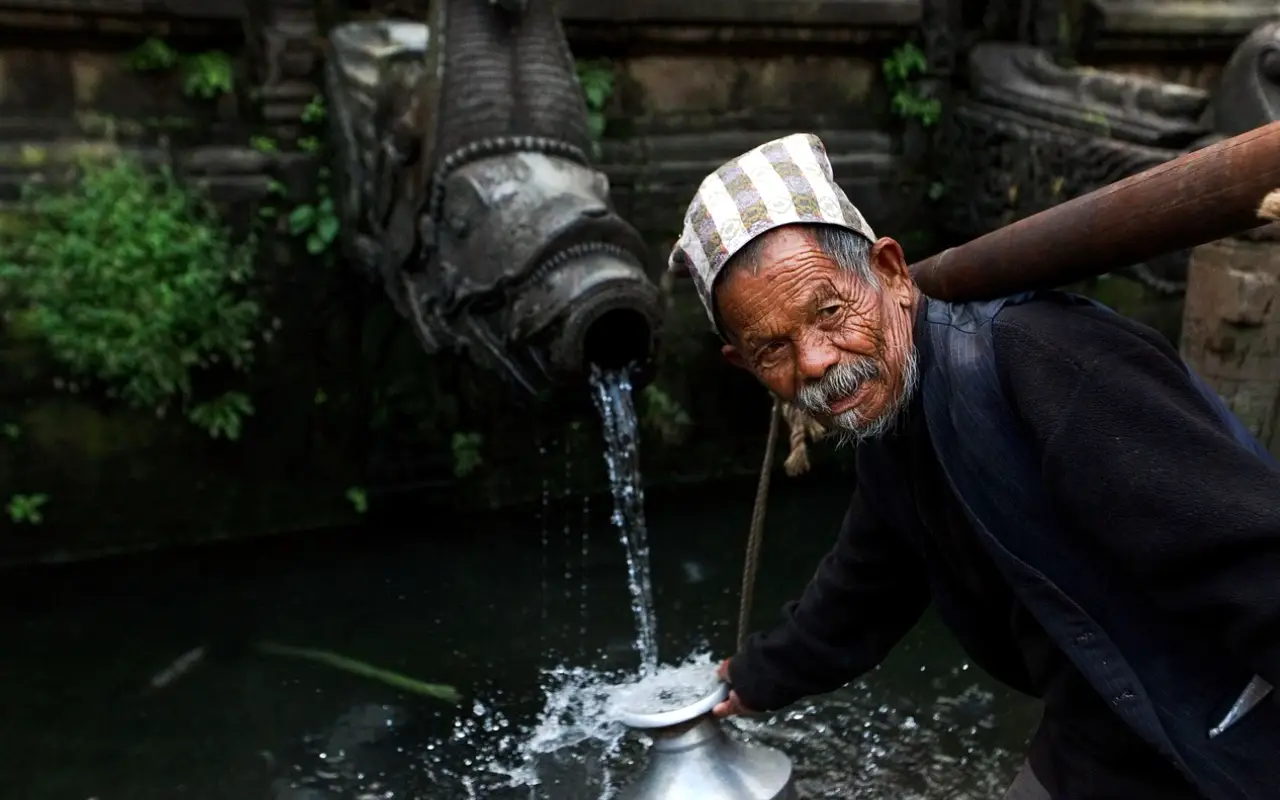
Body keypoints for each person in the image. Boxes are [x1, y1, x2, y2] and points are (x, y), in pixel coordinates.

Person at [666, 132, 1280, 800]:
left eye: (830, 312)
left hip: (1224, 728)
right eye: (773, 349)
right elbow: (865, 588)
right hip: (1102, 723)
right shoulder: (891, 417)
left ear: (892, 274)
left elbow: (1255, 561)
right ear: (744, 366)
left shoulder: (1045, 362)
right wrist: (751, 681)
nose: (814, 361)